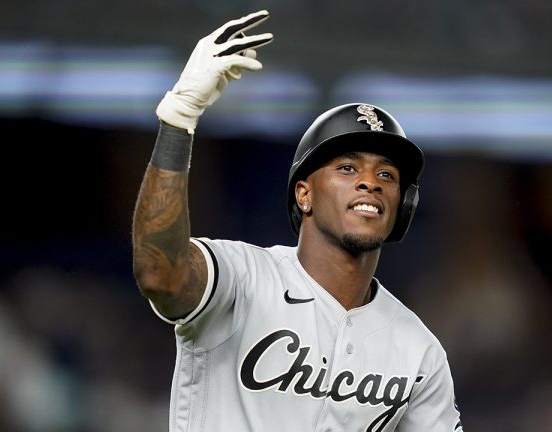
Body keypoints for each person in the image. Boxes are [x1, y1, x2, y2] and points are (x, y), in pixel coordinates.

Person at [132, 10, 464, 432]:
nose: (370, 183)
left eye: (386, 175)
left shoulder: (418, 350)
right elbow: (160, 274)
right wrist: (178, 123)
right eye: (347, 168)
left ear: (403, 207)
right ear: (304, 195)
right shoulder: (243, 278)